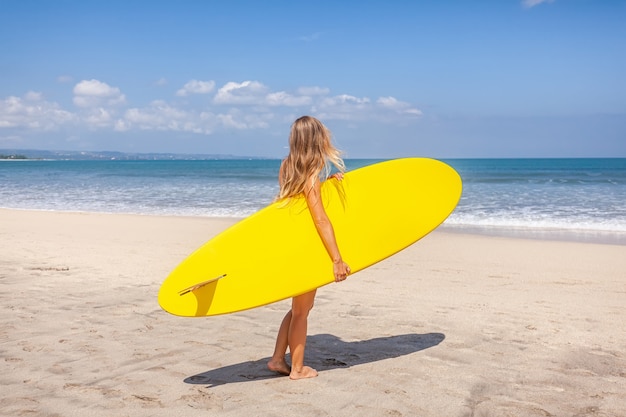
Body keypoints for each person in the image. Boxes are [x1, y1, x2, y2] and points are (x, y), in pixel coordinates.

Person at [267, 115, 351, 380]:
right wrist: (337, 259)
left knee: (297, 309)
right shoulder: (312, 175)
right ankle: (298, 368)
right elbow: (319, 218)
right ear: (317, 140)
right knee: (302, 311)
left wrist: (327, 185)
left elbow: (296, 203)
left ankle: (278, 359)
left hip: (293, 245)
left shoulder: (286, 166)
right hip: (308, 249)